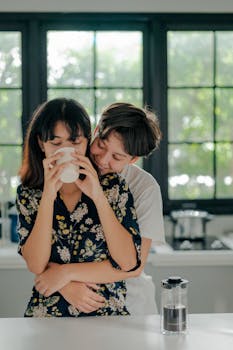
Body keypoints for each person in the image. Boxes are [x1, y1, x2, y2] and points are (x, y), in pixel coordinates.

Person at [16, 98, 141, 317]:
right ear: (41, 143)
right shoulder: (29, 193)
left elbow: (128, 262)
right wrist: (48, 194)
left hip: (107, 317)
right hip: (48, 317)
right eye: (55, 143)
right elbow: (36, 265)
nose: (66, 151)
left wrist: (97, 196)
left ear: (86, 142)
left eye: (75, 142)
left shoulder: (113, 187)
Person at [39, 102, 165, 315]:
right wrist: (64, 285)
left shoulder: (144, 187)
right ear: (96, 130)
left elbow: (134, 266)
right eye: (102, 145)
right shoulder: (66, 168)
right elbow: (40, 246)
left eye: (117, 157)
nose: (103, 159)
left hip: (129, 306)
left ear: (133, 159)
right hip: (63, 307)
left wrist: (65, 274)